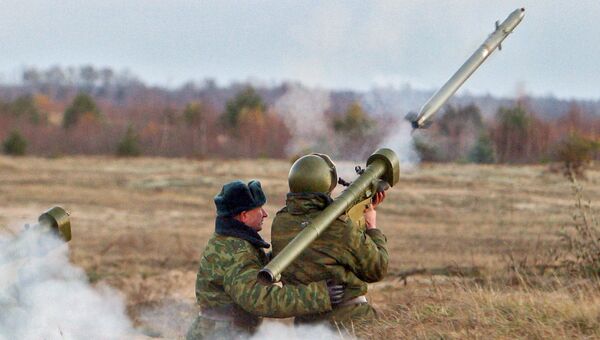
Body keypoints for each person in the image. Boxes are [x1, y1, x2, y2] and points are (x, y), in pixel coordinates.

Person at [186, 179, 344, 340]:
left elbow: (253, 271)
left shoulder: (228, 241)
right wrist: (318, 295)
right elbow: (259, 299)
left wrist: (285, 254)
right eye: (259, 209)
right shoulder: (236, 250)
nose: (265, 214)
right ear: (244, 215)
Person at [271, 153, 388, 327]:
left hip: (305, 327)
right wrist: (371, 227)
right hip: (349, 321)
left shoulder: (280, 223)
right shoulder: (338, 227)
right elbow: (376, 269)